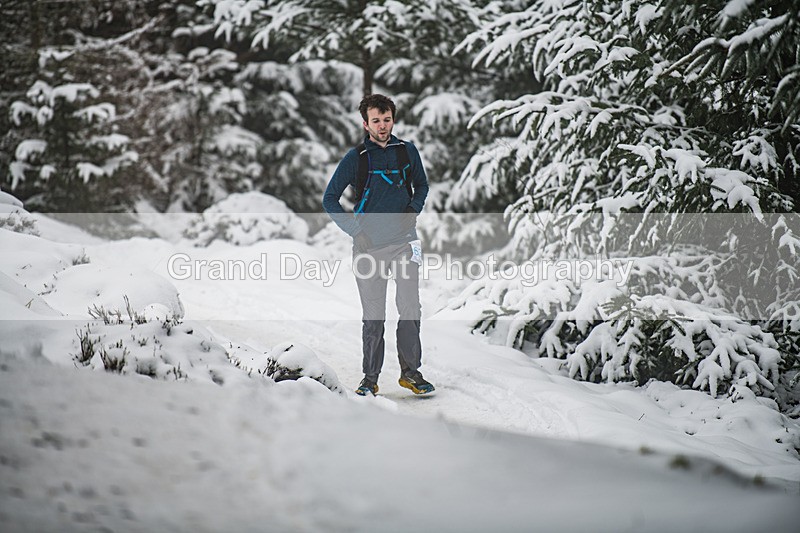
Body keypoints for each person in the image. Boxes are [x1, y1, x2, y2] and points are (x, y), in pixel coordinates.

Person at [322, 94, 434, 396]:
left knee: (410, 306)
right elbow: (329, 199)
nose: (382, 126)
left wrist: (413, 208)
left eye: (386, 120)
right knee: (374, 316)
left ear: (392, 120)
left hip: (404, 243)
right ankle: (369, 380)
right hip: (368, 247)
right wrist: (355, 231)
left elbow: (421, 185)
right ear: (365, 123)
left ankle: (411, 373)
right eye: (376, 121)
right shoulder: (357, 158)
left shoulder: (406, 151)